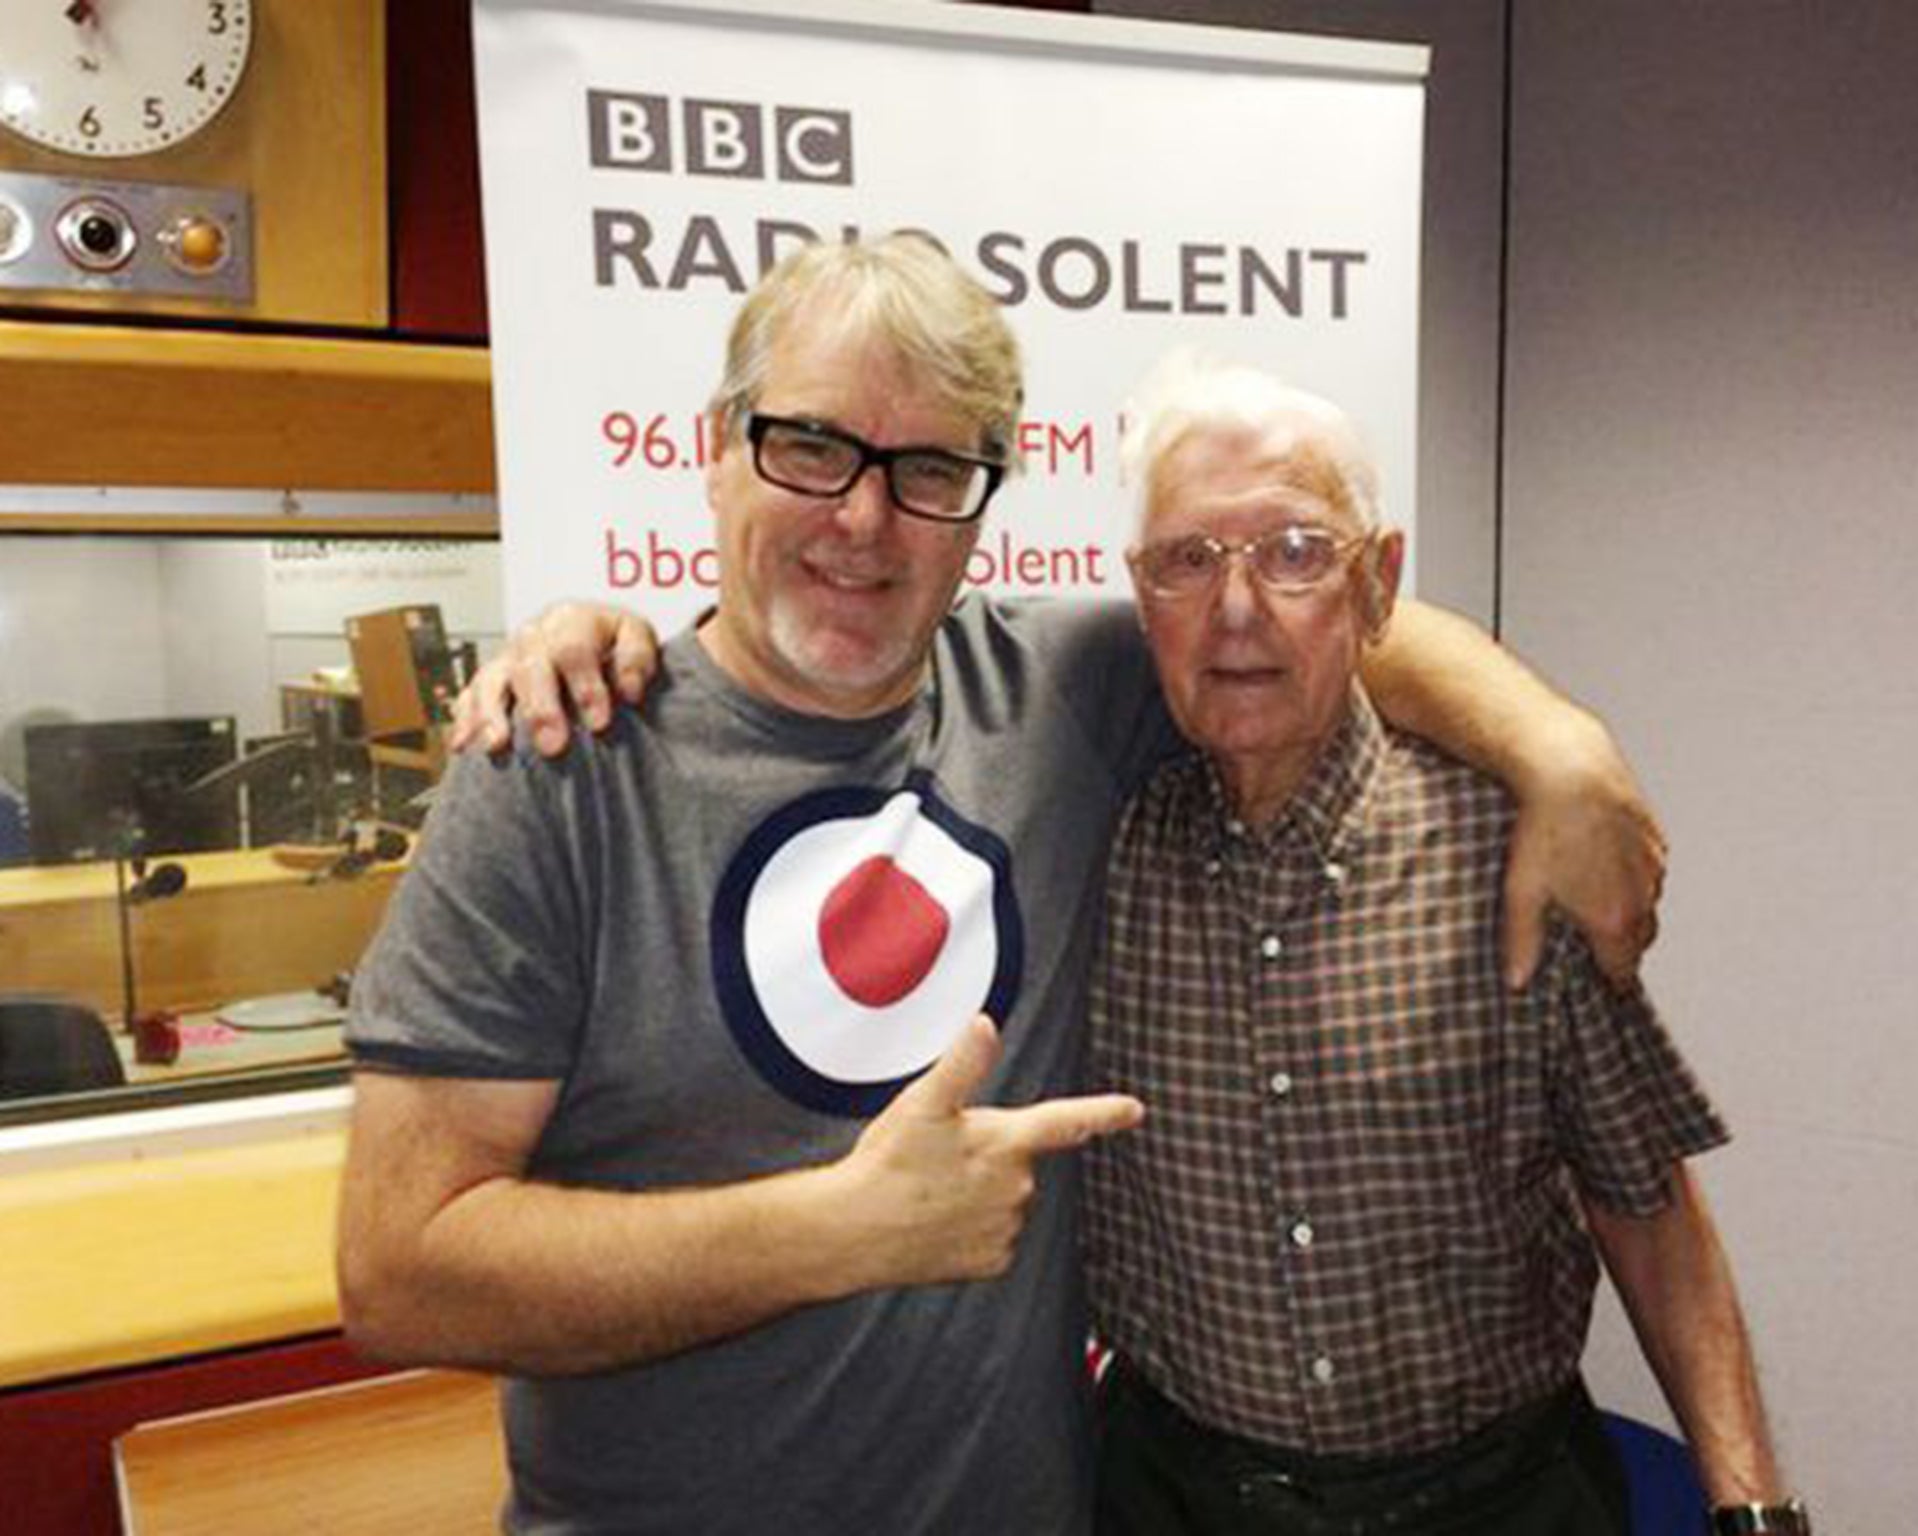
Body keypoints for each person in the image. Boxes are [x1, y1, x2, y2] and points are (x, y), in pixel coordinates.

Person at [342, 234, 1665, 1535]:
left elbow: (1319, 620)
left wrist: (1561, 750)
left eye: (929, 469)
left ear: (982, 502)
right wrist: (839, 1232)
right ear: (715, 449)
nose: (864, 519)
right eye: (811, 446)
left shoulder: (1061, 694)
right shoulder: (558, 766)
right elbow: (400, 1272)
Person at [1082, 356, 1804, 1535]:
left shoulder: (1511, 853)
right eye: (1186, 559)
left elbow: (1647, 1208)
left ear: (1379, 586)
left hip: (1493, 1500)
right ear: (1137, 594)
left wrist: (1751, 1509)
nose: (1234, 609)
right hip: (1173, 1493)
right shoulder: (1089, 839)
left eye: (1295, 552)